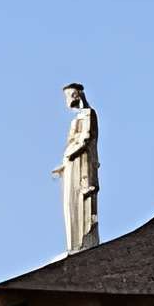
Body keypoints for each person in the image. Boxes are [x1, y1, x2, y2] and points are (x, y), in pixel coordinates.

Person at [56, 82, 98, 255]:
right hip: (72, 164)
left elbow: (86, 138)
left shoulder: (88, 114)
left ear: (76, 95)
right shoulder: (77, 118)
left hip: (82, 164)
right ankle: (74, 243)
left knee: (81, 197)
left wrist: (69, 155)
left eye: (68, 96)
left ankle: (83, 241)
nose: (67, 100)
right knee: (69, 201)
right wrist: (64, 164)